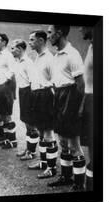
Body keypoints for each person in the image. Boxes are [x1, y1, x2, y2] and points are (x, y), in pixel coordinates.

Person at [47, 25, 86, 191]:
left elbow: (81, 85)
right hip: (59, 96)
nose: (49, 36)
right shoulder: (56, 55)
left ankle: (79, 184)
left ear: (59, 33)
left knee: (74, 144)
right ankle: (66, 177)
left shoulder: (72, 54)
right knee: (63, 141)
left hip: (71, 98)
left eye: (50, 33)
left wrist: (78, 108)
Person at [27, 30, 57, 179]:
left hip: (46, 96)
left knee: (48, 133)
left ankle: (52, 168)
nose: (29, 42)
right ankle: (44, 162)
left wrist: (47, 87)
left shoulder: (50, 58)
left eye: (32, 40)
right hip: (36, 96)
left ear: (40, 40)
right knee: (41, 131)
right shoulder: (37, 57)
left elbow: (57, 80)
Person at [10, 39, 40, 158]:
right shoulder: (18, 62)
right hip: (23, 92)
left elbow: (34, 82)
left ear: (21, 49)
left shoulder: (28, 62)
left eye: (13, 48)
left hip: (29, 93)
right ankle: (29, 150)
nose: (11, 50)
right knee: (26, 123)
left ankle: (32, 152)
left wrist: (32, 101)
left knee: (31, 124)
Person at [79, 26, 93, 191]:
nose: (81, 28)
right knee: (89, 146)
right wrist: (83, 103)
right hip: (88, 99)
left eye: (84, 26)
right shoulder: (91, 45)